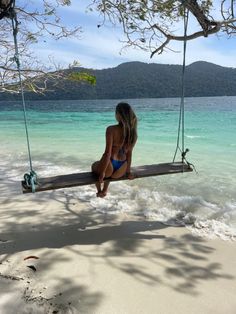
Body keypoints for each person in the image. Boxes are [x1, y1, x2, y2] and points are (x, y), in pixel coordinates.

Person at [91, 102, 138, 198]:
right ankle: (105, 190)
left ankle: (100, 191)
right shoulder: (133, 133)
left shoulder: (111, 129)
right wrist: (128, 172)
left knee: (94, 166)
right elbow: (129, 154)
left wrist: (102, 173)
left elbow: (107, 153)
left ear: (119, 115)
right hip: (121, 168)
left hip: (110, 164)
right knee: (109, 173)